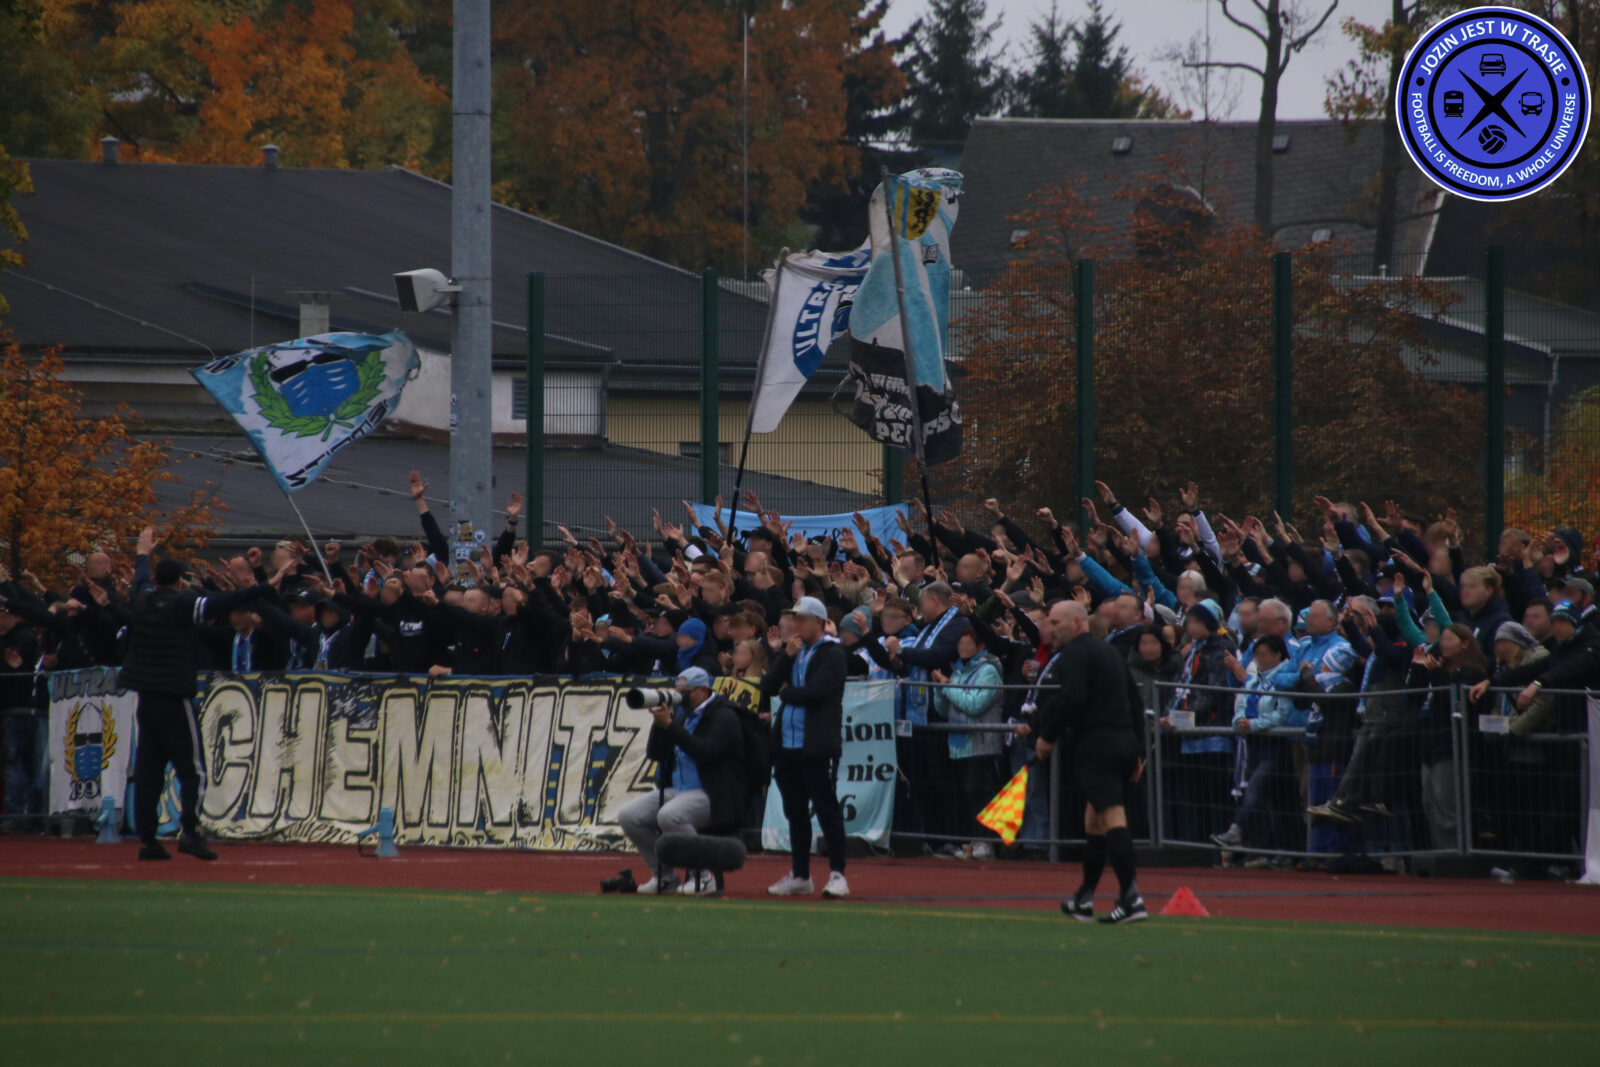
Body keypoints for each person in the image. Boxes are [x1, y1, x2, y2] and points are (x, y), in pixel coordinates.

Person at [119, 527, 274, 861]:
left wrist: (142, 553)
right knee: (193, 769)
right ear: (180, 582)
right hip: (174, 694)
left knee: (149, 769)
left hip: (144, 696)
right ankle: (190, 831)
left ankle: (148, 839)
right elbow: (221, 603)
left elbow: (140, 580)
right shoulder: (181, 605)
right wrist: (264, 586)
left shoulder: (143, 599)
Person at [1035, 601, 1148, 924]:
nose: (1051, 629)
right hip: (1122, 741)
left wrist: (1047, 736)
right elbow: (1135, 702)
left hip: (1099, 743)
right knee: (1094, 822)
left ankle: (1131, 897)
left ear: (1076, 622)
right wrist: (1137, 750)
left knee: (1111, 816)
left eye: (1056, 623)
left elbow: (1073, 698)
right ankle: (1084, 898)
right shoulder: (1108, 651)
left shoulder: (1075, 653)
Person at [615, 666, 744, 896]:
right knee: (629, 816)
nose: (681, 697)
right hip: (678, 790)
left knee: (670, 815)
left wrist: (671, 727)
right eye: (678, 691)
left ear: (703, 691)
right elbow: (655, 753)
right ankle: (665, 877)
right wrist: (660, 724)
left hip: (714, 793)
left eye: (686, 692)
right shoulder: (684, 717)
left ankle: (703, 877)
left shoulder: (724, 716)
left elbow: (704, 752)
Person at [762, 596, 851, 899]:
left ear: (818, 622)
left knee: (826, 809)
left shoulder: (833, 653)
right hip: (787, 744)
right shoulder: (794, 651)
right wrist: (785, 656)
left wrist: (788, 694)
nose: (795, 624)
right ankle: (800, 875)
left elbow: (817, 692)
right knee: (795, 812)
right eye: (794, 618)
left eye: (801, 619)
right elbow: (768, 687)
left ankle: (838, 874)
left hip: (815, 745)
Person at [931, 626, 1007, 860]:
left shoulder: (989, 671)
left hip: (981, 743)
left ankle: (987, 841)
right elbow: (944, 709)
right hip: (959, 743)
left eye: (968, 643)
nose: (962, 647)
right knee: (966, 794)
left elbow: (974, 705)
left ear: (980, 646)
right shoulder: (958, 670)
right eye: (960, 643)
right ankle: (974, 840)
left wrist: (947, 686)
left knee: (978, 791)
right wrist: (939, 690)